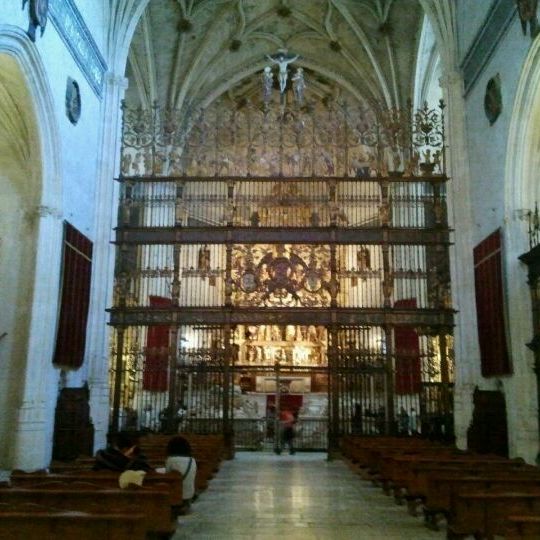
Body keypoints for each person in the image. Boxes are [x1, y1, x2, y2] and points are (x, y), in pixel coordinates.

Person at [164, 436, 197, 514]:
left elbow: (167, 476)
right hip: (189, 493)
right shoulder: (192, 460)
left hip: (176, 494)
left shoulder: (170, 460)